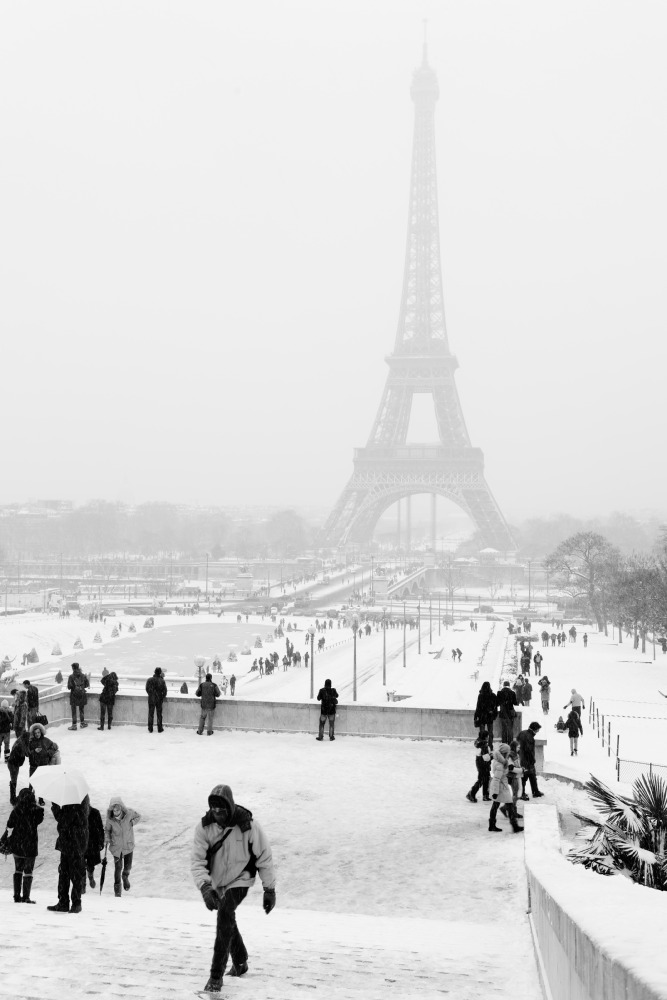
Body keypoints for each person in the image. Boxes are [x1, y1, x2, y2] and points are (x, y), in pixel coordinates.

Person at [191, 784, 276, 991]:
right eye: (214, 810)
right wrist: (205, 887)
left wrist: (269, 890)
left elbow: (264, 857)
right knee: (226, 915)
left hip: (242, 877)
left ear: (229, 807)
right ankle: (240, 961)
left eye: (222, 810)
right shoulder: (204, 828)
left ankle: (215, 977)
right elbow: (197, 862)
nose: (217, 814)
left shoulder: (248, 826)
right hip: (218, 882)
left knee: (225, 911)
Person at [48, 795, 90, 913]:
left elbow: (64, 819)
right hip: (72, 841)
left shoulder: (75, 800)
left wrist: (55, 806)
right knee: (64, 872)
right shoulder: (79, 798)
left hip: (73, 841)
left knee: (72, 872)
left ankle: (75, 903)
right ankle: (64, 902)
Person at [8, 722, 61, 806]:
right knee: (32, 783)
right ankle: (30, 798)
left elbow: (55, 747)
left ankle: (41, 799)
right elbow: (27, 753)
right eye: (35, 733)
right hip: (33, 765)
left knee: (41, 783)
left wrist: (47, 753)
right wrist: (34, 751)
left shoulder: (46, 740)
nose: (37, 734)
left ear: (41, 732)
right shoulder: (30, 742)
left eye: (38, 732)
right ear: (33, 733)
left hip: (43, 766)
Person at [6, 786, 44, 903]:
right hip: (31, 844)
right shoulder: (37, 811)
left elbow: (10, 824)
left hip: (17, 843)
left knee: (18, 869)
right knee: (28, 871)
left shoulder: (16, 810)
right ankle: (26, 897)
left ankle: (16, 896)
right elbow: (39, 821)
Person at [105, 796, 141, 898]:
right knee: (118, 867)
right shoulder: (110, 820)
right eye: (114, 810)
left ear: (121, 808)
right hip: (116, 847)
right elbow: (107, 830)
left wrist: (132, 823)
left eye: (118, 810)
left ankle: (125, 876)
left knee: (127, 867)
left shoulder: (129, 814)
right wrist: (107, 838)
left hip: (128, 845)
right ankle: (117, 890)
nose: (116, 812)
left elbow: (138, 816)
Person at [488, 744, 523, 833]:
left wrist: (509, 767)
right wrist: (495, 792)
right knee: (509, 805)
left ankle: (492, 825)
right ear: (505, 753)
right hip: (501, 787)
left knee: (495, 806)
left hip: (500, 786)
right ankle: (514, 826)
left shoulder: (500, 761)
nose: (509, 753)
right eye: (508, 752)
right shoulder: (500, 764)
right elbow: (496, 778)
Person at [517, 722, 544, 800]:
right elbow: (529, 750)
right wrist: (532, 760)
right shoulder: (529, 737)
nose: (538, 731)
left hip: (522, 758)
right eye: (538, 729)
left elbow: (518, 744)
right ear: (534, 729)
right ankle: (523, 793)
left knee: (532, 776)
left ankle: (535, 791)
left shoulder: (522, 733)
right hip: (527, 760)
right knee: (525, 777)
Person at [465, 729, 492, 802]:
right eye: (487, 736)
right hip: (484, 765)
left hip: (479, 763)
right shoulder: (484, 745)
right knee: (482, 780)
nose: (488, 737)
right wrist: (492, 756)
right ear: (486, 737)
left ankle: (485, 795)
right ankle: (472, 793)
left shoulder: (479, 743)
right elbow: (486, 758)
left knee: (485, 779)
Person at [84, 803, 105, 890]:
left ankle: (90, 876)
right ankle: (82, 884)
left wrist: (101, 841)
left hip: (93, 842)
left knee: (90, 864)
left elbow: (100, 828)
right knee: (80, 863)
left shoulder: (95, 812)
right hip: (82, 841)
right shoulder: (79, 812)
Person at [67, 662, 89, 730]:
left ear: (73, 668)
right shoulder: (83, 675)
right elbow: (87, 684)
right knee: (81, 709)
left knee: (74, 711)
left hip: (74, 696)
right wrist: (81, 688)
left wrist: (74, 688)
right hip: (82, 695)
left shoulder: (71, 676)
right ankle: (82, 723)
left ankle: (74, 725)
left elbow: (69, 687)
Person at [145, 667, 167, 733]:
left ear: (154, 672)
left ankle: (150, 728)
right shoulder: (162, 681)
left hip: (151, 699)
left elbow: (147, 689)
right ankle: (160, 728)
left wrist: (151, 695)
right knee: (159, 714)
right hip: (159, 699)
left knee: (151, 714)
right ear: (160, 673)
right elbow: (165, 691)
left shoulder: (149, 680)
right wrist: (161, 697)